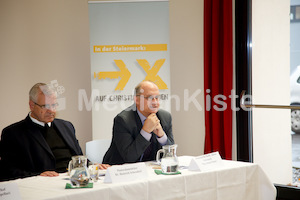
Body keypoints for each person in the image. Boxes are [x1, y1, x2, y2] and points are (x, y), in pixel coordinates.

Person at [0, 83, 109, 181]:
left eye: (54, 105)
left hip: (74, 180)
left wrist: (92, 166)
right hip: (43, 186)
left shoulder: (66, 126)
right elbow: (8, 171)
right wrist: (38, 175)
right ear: (32, 106)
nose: (51, 111)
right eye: (46, 106)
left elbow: (78, 157)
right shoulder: (13, 133)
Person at [103, 80, 175, 165]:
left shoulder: (165, 117)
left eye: (157, 97)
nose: (155, 102)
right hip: (120, 170)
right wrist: (145, 132)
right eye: (150, 98)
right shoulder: (123, 120)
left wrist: (161, 135)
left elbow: (172, 154)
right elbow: (129, 157)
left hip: (150, 170)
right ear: (137, 100)